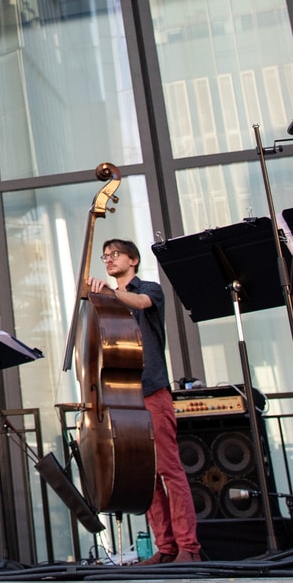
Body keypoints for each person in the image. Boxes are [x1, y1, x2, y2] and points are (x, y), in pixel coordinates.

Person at [90, 238, 199, 564]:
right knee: (145, 475)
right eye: (105, 256)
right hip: (124, 397)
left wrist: (108, 293)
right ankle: (165, 548)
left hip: (152, 390)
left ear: (133, 259)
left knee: (169, 470)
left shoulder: (149, 289)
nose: (109, 259)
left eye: (115, 254)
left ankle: (189, 549)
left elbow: (138, 303)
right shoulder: (107, 301)